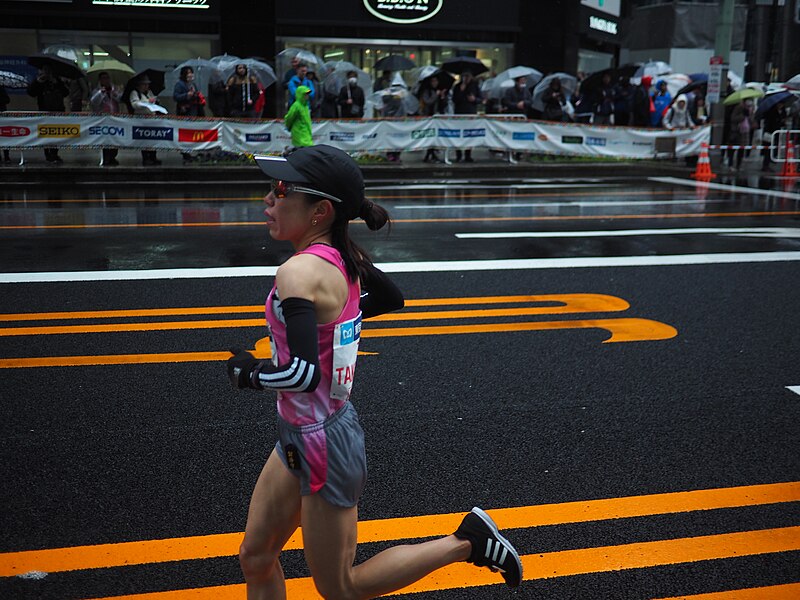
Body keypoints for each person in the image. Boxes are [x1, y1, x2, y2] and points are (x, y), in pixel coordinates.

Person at [227, 144, 523, 599]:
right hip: (303, 428)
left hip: (321, 439)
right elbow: (390, 298)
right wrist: (339, 322)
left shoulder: (298, 271)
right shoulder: (342, 254)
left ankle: (466, 542)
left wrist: (247, 374)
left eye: (281, 189)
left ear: (319, 211)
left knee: (341, 586)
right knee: (256, 556)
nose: (268, 200)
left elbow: (302, 375)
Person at [27, 65, 69, 164]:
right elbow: (31, 92)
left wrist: (57, 83)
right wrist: (38, 81)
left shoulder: (57, 81)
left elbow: (66, 92)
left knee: (57, 133)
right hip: (44, 111)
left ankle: (54, 153)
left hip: (57, 111)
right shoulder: (40, 81)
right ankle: (48, 154)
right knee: (45, 133)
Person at [173, 66, 206, 163]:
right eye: (188, 73)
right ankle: (185, 153)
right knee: (185, 133)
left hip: (194, 110)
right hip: (185, 111)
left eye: (191, 73)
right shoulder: (180, 84)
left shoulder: (193, 85)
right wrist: (187, 95)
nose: (190, 75)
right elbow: (176, 97)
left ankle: (194, 151)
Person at [90, 71, 123, 166]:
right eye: (103, 78)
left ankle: (113, 156)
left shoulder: (114, 89)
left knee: (115, 138)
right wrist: (101, 92)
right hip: (103, 118)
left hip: (115, 117)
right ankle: (106, 157)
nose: (106, 80)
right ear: (100, 80)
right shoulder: (97, 90)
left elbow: (120, 99)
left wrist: (115, 94)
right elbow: (94, 102)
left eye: (107, 78)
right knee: (105, 139)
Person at [128, 75, 162, 166]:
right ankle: (146, 158)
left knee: (153, 139)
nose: (147, 87)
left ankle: (153, 157)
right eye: (144, 85)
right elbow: (135, 104)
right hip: (141, 120)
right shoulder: (135, 93)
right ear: (140, 85)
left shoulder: (149, 93)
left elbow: (152, 102)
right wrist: (147, 102)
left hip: (151, 119)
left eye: (147, 85)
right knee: (144, 139)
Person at [418, 74, 448, 162]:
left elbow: (443, 105)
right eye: (433, 81)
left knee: (435, 137)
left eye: (436, 81)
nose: (435, 83)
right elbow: (428, 101)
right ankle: (430, 154)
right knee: (430, 136)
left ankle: (430, 154)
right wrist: (435, 95)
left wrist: (442, 97)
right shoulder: (426, 91)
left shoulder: (439, 90)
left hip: (437, 117)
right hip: (428, 116)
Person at [451, 71, 480, 162]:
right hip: (459, 112)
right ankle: (458, 154)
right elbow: (454, 100)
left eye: (468, 76)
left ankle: (468, 154)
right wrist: (461, 91)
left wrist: (475, 99)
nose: (466, 78)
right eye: (464, 76)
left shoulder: (474, 86)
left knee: (469, 134)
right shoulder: (457, 86)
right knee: (459, 134)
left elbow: (481, 98)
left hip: (470, 112)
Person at [727, 99, 756, 170]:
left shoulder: (751, 109)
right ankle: (730, 164)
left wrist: (751, 119)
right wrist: (742, 116)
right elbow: (733, 118)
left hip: (745, 132)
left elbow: (751, 119)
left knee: (742, 149)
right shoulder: (738, 108)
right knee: (733, 148)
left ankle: (738, 165)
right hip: (737, 131)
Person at [760, 100, 787, 172]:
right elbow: (769, 122)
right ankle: (765, 165)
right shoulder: (771, 111)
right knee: (768, 149)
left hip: (776, 132)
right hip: (769, 132)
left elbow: (781, 122)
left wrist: (782, 121)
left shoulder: (781, 112)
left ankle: (769, 162)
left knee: (772, 148)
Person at [284, 84, 313, 149]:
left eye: (308, 94)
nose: (307, 96)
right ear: (300, 94)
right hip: (299, 136)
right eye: (305, 94)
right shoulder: (296, 106)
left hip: (306, 135)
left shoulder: (305, 106)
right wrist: (289, 127)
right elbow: (289, 118)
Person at [0, 85, 11, 164]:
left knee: (5, 135)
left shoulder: (1, 88)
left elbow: (7, 100)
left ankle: (6, 156)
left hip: (2, 116)